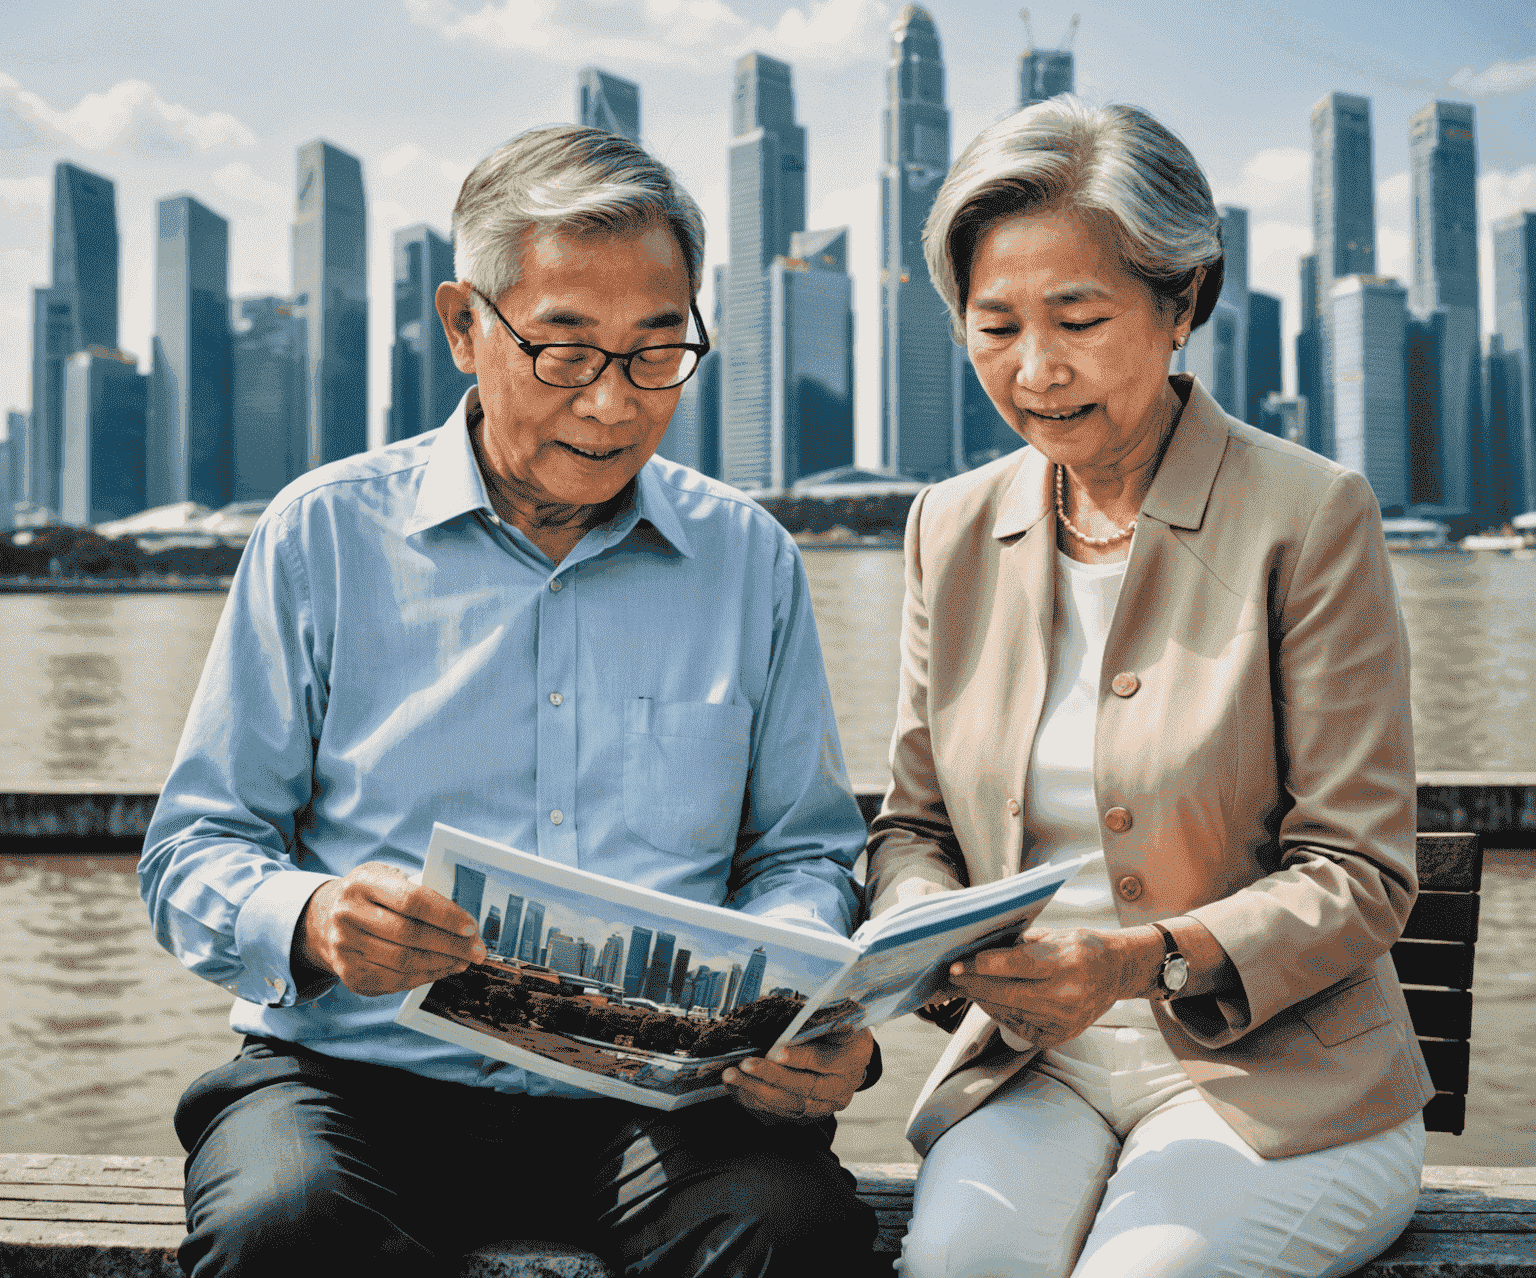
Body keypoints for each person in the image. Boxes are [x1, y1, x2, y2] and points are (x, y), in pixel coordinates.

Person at [139, 125, 878, 1278]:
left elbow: (803, 852)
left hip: (661, 1099)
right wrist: (316, 917)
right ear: (463, 325)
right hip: (352, 1079)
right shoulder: (322, 534)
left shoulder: (751, 561)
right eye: (566, 350)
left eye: (657, 351)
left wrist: (788, 997)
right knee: (277, 1228)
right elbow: (194, 848)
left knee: (797, 1235)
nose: (615, 402)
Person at [866, 97, 1434, 1278]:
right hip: (1033, 1063)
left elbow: (1363, 872)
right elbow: (913, 824)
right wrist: (922, 930)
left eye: (1080, 317)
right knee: (961, 1265)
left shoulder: (1310, 514)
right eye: (995, 325)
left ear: (1184, 302)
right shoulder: (951, 526)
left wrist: (1136, 961)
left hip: (1282, 1077)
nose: (1037, 369)